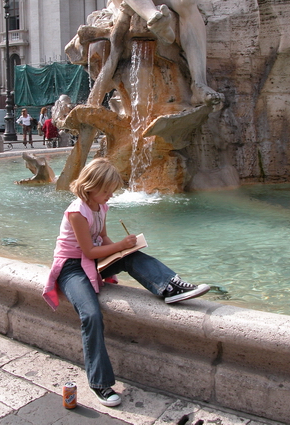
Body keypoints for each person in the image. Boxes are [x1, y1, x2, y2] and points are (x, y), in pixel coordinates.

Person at [43, 158, 210, 407]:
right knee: (91, 315)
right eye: (106, 191)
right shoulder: (77, 211)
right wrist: (118, 246)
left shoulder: (101, 207)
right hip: (71, 268)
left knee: (132, 256)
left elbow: (103, 239)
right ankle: (100, 383)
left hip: (93, 260)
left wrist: (123, 248)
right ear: (90, 186)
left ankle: (170, 286)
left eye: (112, 191)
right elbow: (88, 251)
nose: (110, 196)